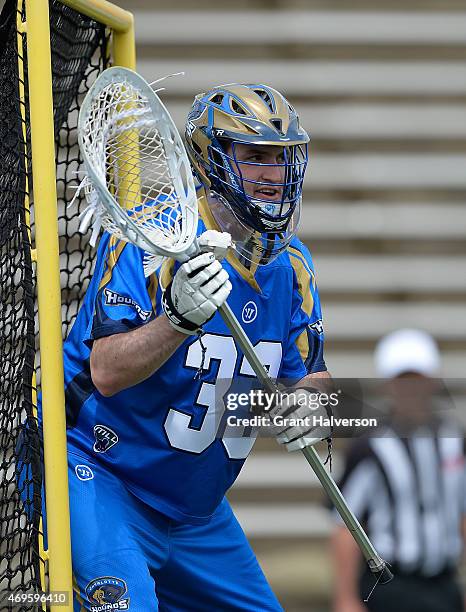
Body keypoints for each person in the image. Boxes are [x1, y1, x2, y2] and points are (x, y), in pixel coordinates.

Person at [62, 83, 330, 611]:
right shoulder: (149, 240)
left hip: (196, 511)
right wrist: (177, 321)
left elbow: (312, 374)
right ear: (212, 160)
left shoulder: (293, 267)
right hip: (104, 475)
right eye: (254, 156)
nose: (273, 175)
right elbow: (106, 371)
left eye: (281, 159)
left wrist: (315, 407)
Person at [331, 329, 466, 612]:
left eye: (417, 380)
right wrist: (345, 597)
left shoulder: (454, 440)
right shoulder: (369, 447)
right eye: (403, 381)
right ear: (388, 385)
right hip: (389, 587)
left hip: (443, 583)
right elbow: (347, 525)